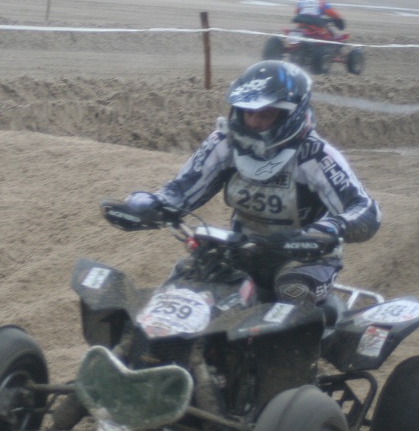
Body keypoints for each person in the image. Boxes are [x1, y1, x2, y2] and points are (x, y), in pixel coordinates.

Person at [124, 60, 380, 307]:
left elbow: (366, 209)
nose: (254, 122)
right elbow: (181, 190)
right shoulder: (224, 142)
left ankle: (309, 348)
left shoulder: (315, 155)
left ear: (290, 115)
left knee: (293, 287)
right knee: (188, 275)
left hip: (305, 258)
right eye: (248, 112)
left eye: (265, 114)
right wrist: (150, 204)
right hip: (241, 249)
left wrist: (326, 230)